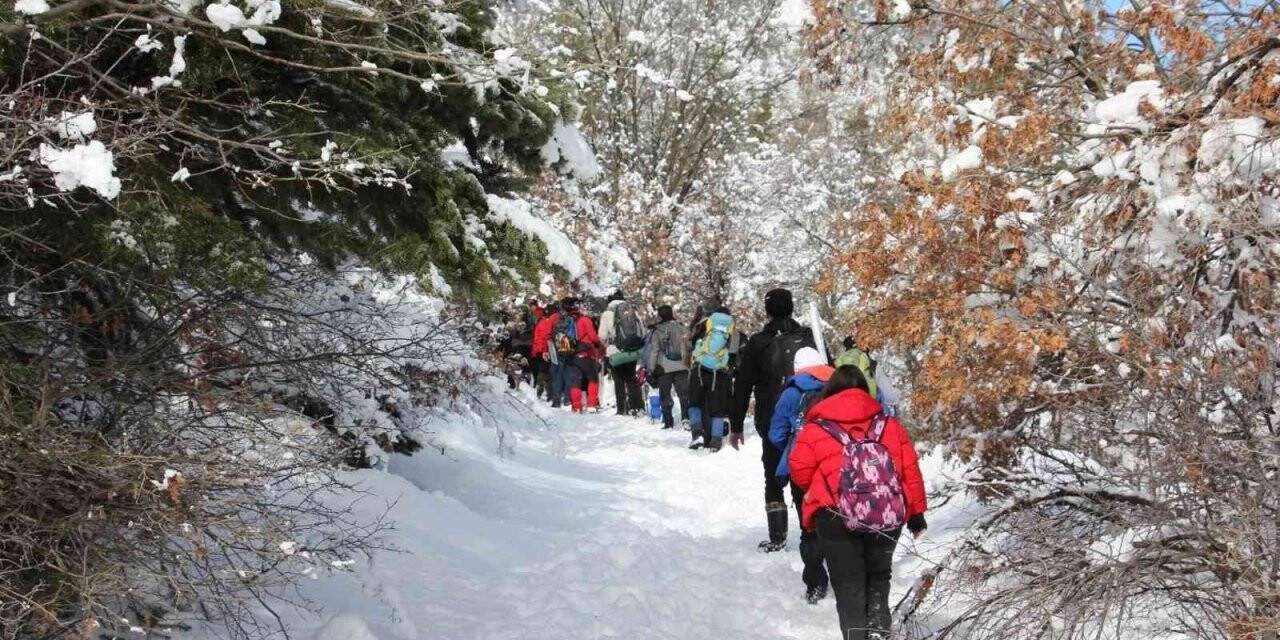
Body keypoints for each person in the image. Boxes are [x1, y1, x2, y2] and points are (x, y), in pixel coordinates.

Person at [788, 365, 928, 640]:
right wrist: (916, 514)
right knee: (878, 577)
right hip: (885, 512)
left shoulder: (816, 428)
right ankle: (878, 632)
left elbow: (799, 470)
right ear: (866, 391)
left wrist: (823, 488)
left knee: (848, 585)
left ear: (831, 392)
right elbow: (910, 469)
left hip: (835, 515)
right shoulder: (889, 425)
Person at [729, 288, 816, 552]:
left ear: (767, 310)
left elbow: (743, 385)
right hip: (808, 419)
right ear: (791, 307)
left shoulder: (758, 343)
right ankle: (810, 532)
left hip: (771, 419)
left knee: (773, 476)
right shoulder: (808, 338)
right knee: (805, 475)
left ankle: (777, 537)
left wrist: (735, 426)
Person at [768, 347, 833, 604]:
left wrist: (794, 446)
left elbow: (776, 434)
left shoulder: (792, 393)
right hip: (837, 462)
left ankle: (816, 582)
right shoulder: (839, 385)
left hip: (803, 466)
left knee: (809, 524)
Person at [686, 304, 739, 451]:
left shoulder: (704, 323)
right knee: (718, 409)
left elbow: (691, 343)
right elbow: (734, 353)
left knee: (695, 403)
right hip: (720, 373)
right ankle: (716, 441)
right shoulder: (733, 329)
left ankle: (697, 434)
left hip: (699, 369)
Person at [599, 292, 646, 416]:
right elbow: (642, 330)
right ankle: (637, 407)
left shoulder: (607, 313)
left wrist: (607, 347)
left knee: (618, 379)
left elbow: (602, 336)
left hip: (616, 351)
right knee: (631, 377)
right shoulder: (632, 311)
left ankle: (621, 408)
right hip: (632, 350)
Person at [644, 305, 690, 430]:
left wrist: (651, 369)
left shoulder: (658, 330)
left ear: (660, 316)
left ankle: (668, 421)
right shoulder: (682, 327)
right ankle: (686, 418)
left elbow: (654, 351)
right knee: (684, 394)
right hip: (682, 366)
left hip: (664, 367)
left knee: (665, 394)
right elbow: (689, 345)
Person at [557, 296, 603, 413]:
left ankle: (576, 407)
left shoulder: (566, 321)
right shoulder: (585, 320)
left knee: (575, 382)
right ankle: (592, 404)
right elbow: (593, 336)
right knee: (593, 379)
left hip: (571, 353)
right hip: (587, 353)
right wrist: (599, 344)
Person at [532, 302, 567, 407]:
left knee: (545, 371)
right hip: (560, 349)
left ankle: (542, 390)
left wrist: (543, 351)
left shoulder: (544, 322)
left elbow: (543, 337)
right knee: (552, 372)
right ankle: (551, 393)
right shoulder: (561, 318)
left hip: (544, 350)